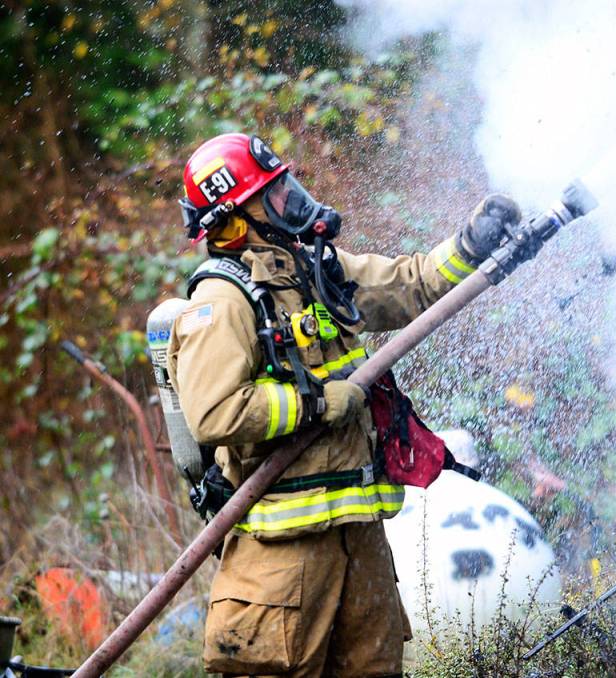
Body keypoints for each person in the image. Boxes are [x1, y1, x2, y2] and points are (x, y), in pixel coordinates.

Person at [167, 132, 520, 677]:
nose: (292, 200)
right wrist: (317, 403)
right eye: (274, 194)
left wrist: (470, 247)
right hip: (281, 559)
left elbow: (413, 284)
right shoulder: (222, 301)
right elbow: (215, 413)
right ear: (237, 222)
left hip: (360, 540)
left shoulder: (315, 272)